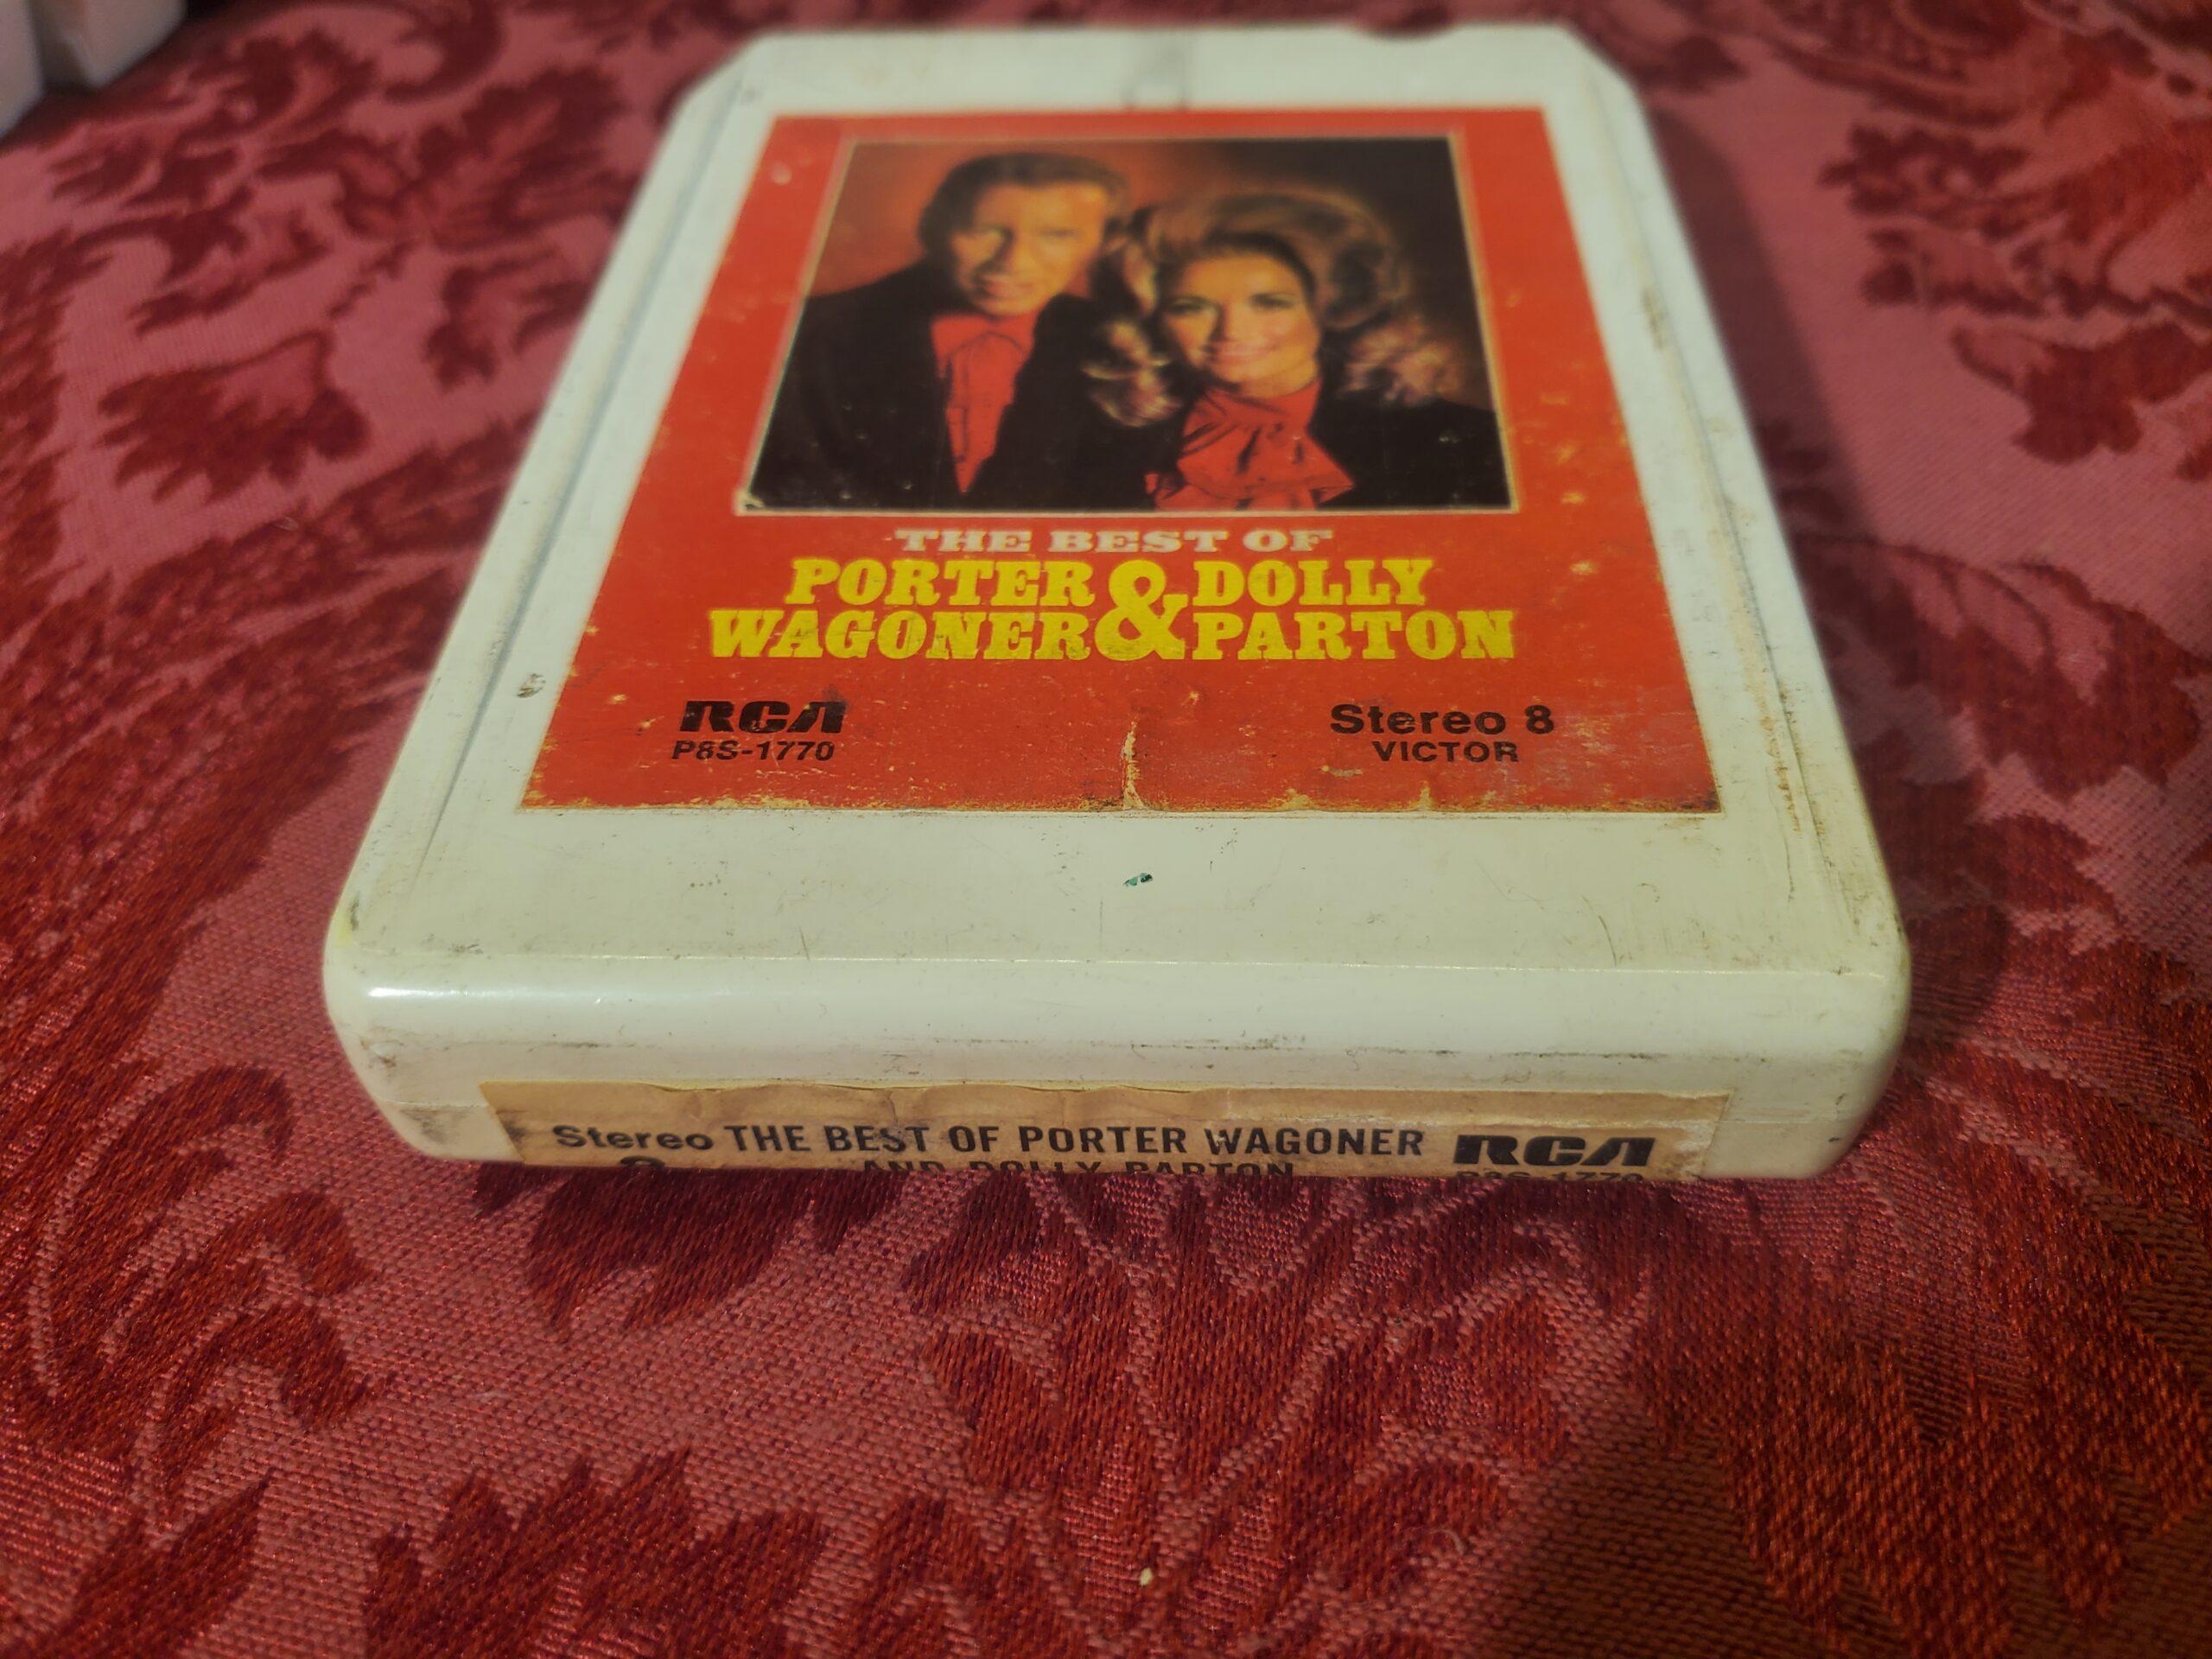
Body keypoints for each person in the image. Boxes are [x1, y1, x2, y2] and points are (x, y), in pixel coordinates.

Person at [1076, 190, 1510, 511]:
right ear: (1155, 321)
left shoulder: (1462, 440)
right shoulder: (1100, 440)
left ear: (1329, 310)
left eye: (1269, 303)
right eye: (1191, 308)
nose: (1231, 332)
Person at [749, 151, 1127, 510]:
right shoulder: (806, 332)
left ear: (1105, 244)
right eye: (983, 230)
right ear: (932, 229)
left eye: (1057, 235)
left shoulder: (1120, 342)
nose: (1013, 261)